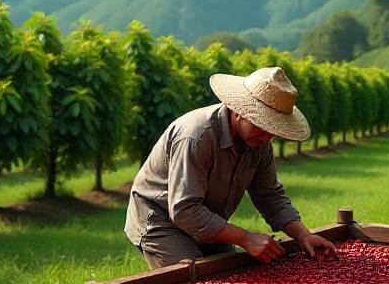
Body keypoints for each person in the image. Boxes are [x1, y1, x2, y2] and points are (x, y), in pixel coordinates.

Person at [124, 65, 338, 268]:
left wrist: (303, 235)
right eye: (263, 125)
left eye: (274, 129)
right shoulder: (197, 137)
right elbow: (184, 210)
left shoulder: (259, 142)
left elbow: (270, 196)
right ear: (240, 112)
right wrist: (245, 238)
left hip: (206, 217)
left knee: (229, 274)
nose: (268, 135)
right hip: (160, 220)